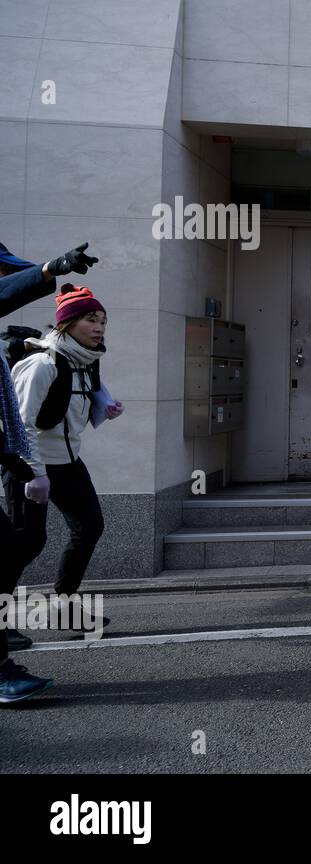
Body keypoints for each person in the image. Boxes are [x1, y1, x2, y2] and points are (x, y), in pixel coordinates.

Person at [0, 242, 99, 705]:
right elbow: (20, 423)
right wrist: (32, 473)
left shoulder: (86, 365)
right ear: (66, 325)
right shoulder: (42, 364)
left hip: (66, 463)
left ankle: (63, 605)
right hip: (32, 466)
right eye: (90, 320)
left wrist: (103, 405)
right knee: (21, 544)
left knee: (88, 527)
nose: (99, 327)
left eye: (101, 320)